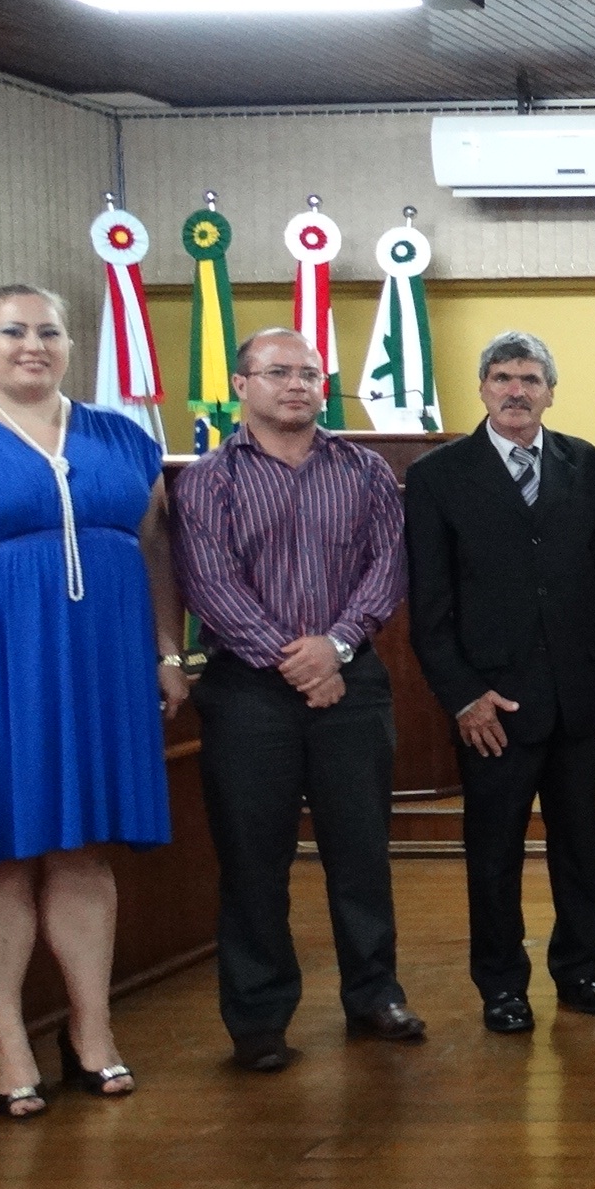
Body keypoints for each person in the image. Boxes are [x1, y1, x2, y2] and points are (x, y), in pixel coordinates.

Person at [0, 285, 184, 1116]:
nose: (34, 344)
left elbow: (157, 554)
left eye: (50, 331)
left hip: (98, 667)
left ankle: (90, 1032)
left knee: (83, 854)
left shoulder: (122, 437)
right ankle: (6, 1039)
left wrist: (168, 653)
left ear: (70, 344)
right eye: (13, 331)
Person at [174, 327, 421, 1070]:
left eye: (310, 374)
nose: (297, 385)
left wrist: (336, 648)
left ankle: (374, 994)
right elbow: (210, 587)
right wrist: (298, 661)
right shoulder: (207, 481)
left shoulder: (368, 472)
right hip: (248, 690)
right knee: (254, 859)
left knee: (361, 851)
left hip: (352, 681)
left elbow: (389, 567)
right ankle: (258, 1020)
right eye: (278, 372)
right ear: (242, 385)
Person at [405, 333, 595, 1033]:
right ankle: (501, 986)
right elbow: (429, 603)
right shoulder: (439, 476)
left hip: (577, 699)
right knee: (495, 852)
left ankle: (582, 971)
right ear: (482, 387)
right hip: (492, 706)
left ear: (550, 391)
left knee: (580, 847)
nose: (516, 391)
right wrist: (463, 695)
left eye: (530, 379)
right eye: (502, 378)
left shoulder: (587, 465)